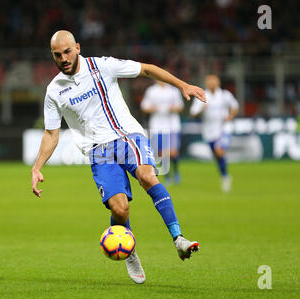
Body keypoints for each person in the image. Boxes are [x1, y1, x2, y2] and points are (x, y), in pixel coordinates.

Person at [31, 30, 206, 284]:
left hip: (128, 136)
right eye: (57, 55)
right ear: (53, 56)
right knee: (120, 209)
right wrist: (37, 167)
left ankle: (179, 239)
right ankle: (129, 250)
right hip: (98, 151)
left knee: (147, 176)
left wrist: (183, 85)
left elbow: (146, 69)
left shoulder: (103, 66)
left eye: (67, 51)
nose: (64, 58)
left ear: (78, 47)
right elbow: (51, 133)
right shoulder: (54, 91)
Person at [190, 75, 239, 193]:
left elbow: (235, 106)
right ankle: (225, 175)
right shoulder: (201, 95)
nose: (212, 83)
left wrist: (230, 117)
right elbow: (193, 113)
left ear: (218, 82)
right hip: (209, 131)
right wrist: (202, 109)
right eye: (209, 81)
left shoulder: (224, 95)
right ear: (206, 83)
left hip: (224, 128)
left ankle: (225, 177)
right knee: (217, 156)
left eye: (214, 80)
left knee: (219, 150)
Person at [140, 80, 184, 185]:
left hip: (172, 125)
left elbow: (180, 106)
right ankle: (168, 175)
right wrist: (151, 109)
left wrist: (174, 108)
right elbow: (144, 107)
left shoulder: (173, 91)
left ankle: (176, 171)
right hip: (157, 126)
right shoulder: (151, 91)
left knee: (173, 152)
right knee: (162, 153)